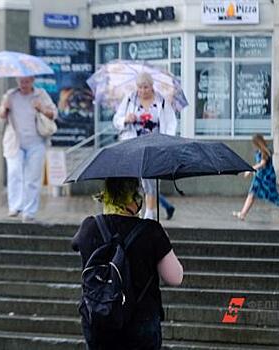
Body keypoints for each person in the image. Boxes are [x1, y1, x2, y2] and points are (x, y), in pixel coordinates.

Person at [72, 177, 183, 349]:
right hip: (141, 325)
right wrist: (162, 241)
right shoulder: (151, 230)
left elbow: (79, 249)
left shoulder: (90, 227)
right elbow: (175, 278)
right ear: (131, 198)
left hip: (100, 319)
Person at [113, 72, 178, 220]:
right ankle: (134, 210)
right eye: (140, 87)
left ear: (151, 86)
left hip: (155, 146)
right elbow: (116, 120)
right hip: (133, 145)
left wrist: (166, 140)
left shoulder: (161, 101)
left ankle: (149, 213)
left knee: (151, 179)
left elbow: (171, 122)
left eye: (146, 87)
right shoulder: (130, 100)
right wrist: (126, 119)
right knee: (133, 180)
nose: (142, 91)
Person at [0, 76, 58, 223]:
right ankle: (15, 207)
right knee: (14, 173)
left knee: (33, 178)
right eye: (21, 81)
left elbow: (54, 114)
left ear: (32, 80)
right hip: (14, 142)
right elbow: (1, 117)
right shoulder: (10, 95)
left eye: (26, 81)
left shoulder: (41, 94)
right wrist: (4, 108)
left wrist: (41, 108)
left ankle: (29, 211)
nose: (23, 84)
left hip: (36, 142)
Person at [233, 134, 279, 222]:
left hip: (267, 178)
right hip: (259, 177)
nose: (253, 145)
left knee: (273, 195)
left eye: (254, 143)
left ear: (258, 142)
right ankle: (243, 214)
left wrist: (250, 169)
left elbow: (262, 164)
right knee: (251, 194)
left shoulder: (265, 151)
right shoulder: (260, 151)